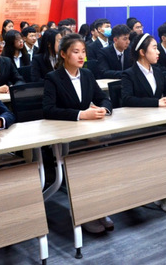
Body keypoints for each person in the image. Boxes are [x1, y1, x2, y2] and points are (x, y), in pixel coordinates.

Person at [42, 33, 113, 234]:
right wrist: (82, 114)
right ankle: (86, 214)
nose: (81, 56)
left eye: (83, 52)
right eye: (75, 52)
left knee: (101, 168)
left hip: (88, 134)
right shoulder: (53, 78)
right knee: (85, 170)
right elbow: (48, 110)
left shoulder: (87, 74)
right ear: (63, 54)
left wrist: (104, 109)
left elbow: (104, 98)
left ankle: (100, 210)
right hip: (67, 137)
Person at [121, 32, 166, 213]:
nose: (158, 52)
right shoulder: (129, 74)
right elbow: (127, 99)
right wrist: (156, 102)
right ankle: (163, 194)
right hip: (141, 125)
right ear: (142, 52)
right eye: (154, 48)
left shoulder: (157, 71)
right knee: (163, 152)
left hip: (160, 121)